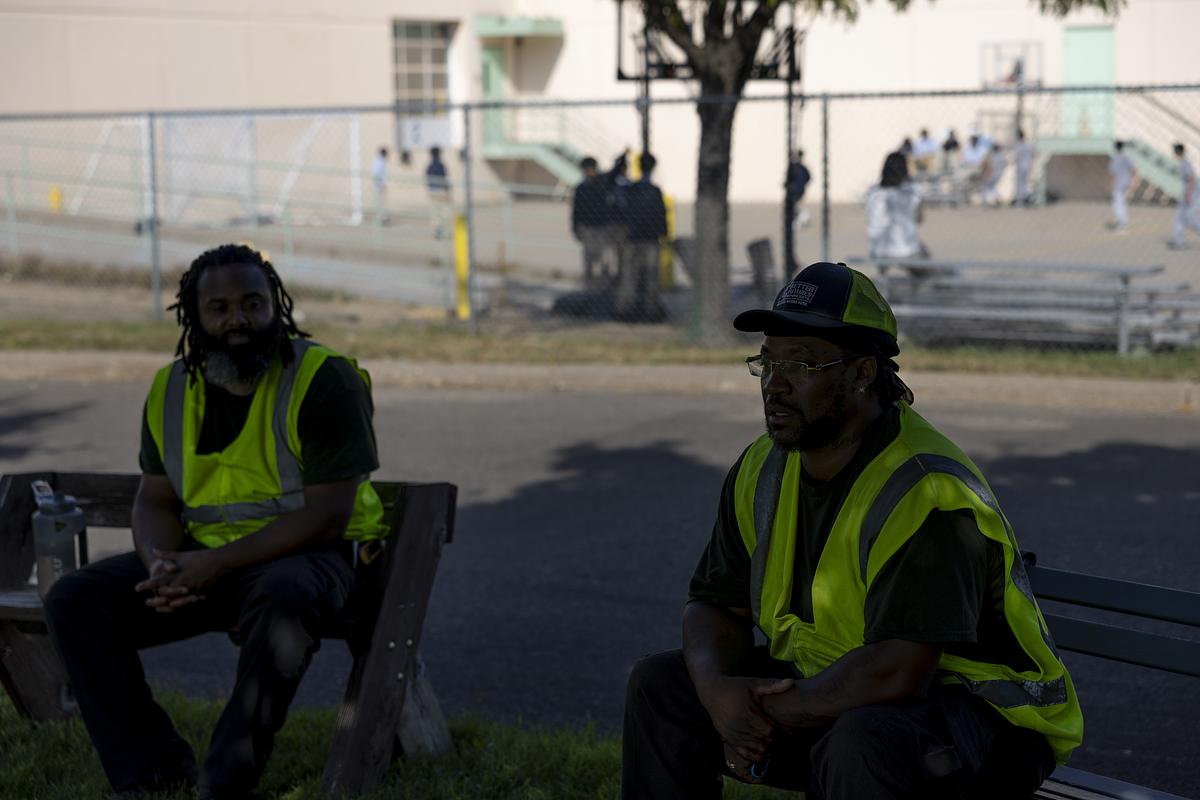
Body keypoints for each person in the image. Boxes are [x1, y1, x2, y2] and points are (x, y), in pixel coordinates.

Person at [622, 261, 1083, 800]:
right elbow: (716, 606)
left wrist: (763, 712)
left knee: (861, 742)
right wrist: (719, 694)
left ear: (863, 372)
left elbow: (897, 671)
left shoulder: (926, 488)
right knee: (661, 687)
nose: (776, 386)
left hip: (988, 730)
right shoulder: (762, 468)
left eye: (802, 365)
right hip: (843, 700)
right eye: (766, 364)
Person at [43, 243, 387, 799]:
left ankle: (225, 783)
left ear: (274, 305)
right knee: (75, 601)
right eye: (220, 308)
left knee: (281, 599)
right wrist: (161, 564)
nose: (238, 321)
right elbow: (154, 500)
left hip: (311, 561)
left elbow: (328, 515)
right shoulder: (171, 389)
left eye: (253, 304)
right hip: (210, 562)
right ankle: (151, 774)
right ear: (194, 316)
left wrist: (210, 565)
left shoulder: (324, 379)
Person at [618, 152, 667, 321]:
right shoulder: (654, 191)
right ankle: (650, 310)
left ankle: (626, 309)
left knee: (630, 275)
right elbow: (661, 214)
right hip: (651, 238)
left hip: (632, 237)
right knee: (651, 275)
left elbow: (622, 210)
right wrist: (663, 234)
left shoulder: (630, 189)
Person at [865, 151, 929, 262]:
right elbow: (920, 219)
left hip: (877, 249)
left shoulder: (873, 192)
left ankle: (884, 274)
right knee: (925, 257)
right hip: (907, 250)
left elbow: (871, 218)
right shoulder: (913, 191)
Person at [572, 156, 614, 290]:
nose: (589, 173)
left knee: (604, 260)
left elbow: (613, 173)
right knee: (590, 260)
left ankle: (604, 287)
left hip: (602, 228)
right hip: (588, 228)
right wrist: (576, 228)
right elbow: (576, 210)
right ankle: (590, 287)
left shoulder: (602, 185)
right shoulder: (581, 188)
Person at [1169, 142, 1200, 249]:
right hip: (1187, 193)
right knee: (1179, 217)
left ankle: (1179, 241)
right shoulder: (1183, 163)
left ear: (1177, 152)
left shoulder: (1185, 164)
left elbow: (1192, 179)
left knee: (1189, 218)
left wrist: (1189, 195)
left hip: (1190, 193)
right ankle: (1178, 241)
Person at [1108, 141, 1136, 233]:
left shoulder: (1115, 158)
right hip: (1126, 181)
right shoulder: (1126, 157)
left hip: (1119, 182)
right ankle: (1123, 222)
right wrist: (1132, 182)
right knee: (1122, 201)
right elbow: (1133, 169)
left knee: (1117, 203)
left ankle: (1122, 223)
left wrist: (1111, 184)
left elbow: (1112, 173)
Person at [785, 149, 812, 238]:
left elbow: (807, 177)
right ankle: (800, 219)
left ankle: (800, 220)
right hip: (799, 189)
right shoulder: (800, 167)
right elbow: (808, 177)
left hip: (796, 190)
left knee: (796, 206)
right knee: (796, 206)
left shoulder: (795, 167)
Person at [426, 146, 451, 238]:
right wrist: (447, 191)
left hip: (433, 191)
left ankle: (438, 231)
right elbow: (444, 178)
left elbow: (427, 179)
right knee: (444, 211)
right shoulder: (441, 165)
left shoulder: (429, 166)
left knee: (435, 212)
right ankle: (444, 231)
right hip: (441, 191)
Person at [1012, 129, 1037, 207]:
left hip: (1021, 167)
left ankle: (1024, 200)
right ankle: (1028, 198)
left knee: (1021, 183)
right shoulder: (1029, 144)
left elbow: (1016, 156)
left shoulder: (1018, 145)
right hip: (1028, 166)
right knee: (1026, 183)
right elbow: (1035, 153)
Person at [981, 143, 1007, 207]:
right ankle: (997, 198)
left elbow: (989, 166)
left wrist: (988, 174)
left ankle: (986, 202)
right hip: (999, 174)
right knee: (992, 187)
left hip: (992, 174)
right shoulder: (1002, 157)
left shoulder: (992, 156)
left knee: (985, 187)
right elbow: (1005, 164)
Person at [371, 146, 389, 224]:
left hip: (378, 184)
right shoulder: (380, 161)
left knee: (380, 201)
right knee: (380, 201)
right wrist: (382, 184)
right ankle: (381, 218)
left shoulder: (378, 160)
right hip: (379, 184)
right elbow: (378, 173)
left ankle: (382, 217)